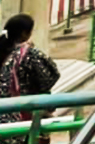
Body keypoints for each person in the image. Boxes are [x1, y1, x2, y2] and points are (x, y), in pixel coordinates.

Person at [0, 14, 61, 144]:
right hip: (23, 118)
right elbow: (51, 76)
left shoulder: (3, 51)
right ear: (24, 34)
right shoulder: (30, 53)